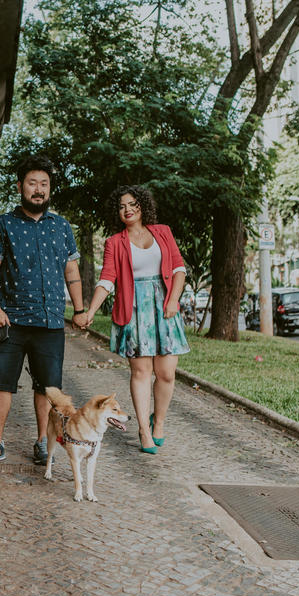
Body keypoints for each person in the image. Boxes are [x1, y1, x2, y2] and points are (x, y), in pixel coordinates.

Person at [0, 155, 85, 466]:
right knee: (0, 381)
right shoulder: (3, 224)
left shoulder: (61, 227)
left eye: (44, 184)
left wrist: (79, 309)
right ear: (20, 187)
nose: (38, 190)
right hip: (10, 319)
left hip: (50, 321)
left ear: (49, 189)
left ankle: (43, 442)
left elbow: (71, 270)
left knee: (48, 387)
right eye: (32, 183)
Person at [73, 185, 189, 454]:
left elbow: (179, 268)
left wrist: (173, 300)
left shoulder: (163, 232)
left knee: (167, 373)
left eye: (132, 204)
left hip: (164, 306)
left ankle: (159, 422)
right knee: (141, 372)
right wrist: (91, 311)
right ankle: (144, 430)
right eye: (122, 206)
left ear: (142, 206)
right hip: (134, 310)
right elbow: (107, 279)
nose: (127, 209)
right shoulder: (115, 242)